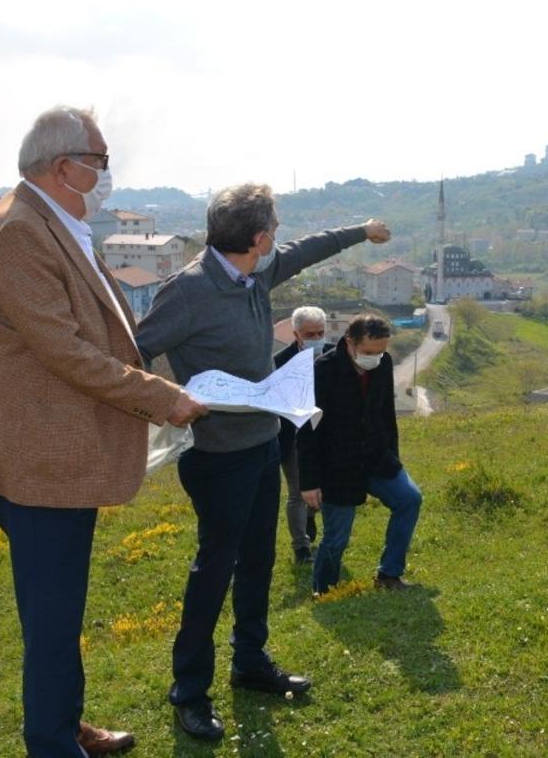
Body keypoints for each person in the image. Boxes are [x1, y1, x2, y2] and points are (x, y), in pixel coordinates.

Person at [0, 105, 206, 757]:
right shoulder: (20, 230)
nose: (106, 174)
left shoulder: (55, 222)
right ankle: (51, 743)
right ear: (62, 165)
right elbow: (65, 350)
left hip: (59, 462)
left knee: (60, 616)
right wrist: (160, 397)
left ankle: (64, 725)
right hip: (38, 466)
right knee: (50, 623)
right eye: (99, 161)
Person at [135, 183, 391, 742]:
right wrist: (168, 401)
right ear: (258, 237)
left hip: (261, 445)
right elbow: (134, 350)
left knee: (258, 562)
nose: (279, 240)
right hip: (215, 456)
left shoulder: (255, 275)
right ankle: (189, 691)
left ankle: (249, 662)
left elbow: (306, 251)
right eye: (274, 230)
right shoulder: (189, 291)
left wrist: (360, 232)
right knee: (215, 568)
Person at [297, 314, 422, 595]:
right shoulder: (323, 370)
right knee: (337, 537)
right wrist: (309, 481)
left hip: (377, 457)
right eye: (368, 353)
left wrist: (393, 456)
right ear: (350, 343)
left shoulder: (383, 363)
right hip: (337, 465)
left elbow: (386, 414)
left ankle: (389, 575)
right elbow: (307, 430)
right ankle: (326, 590)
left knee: (409, 499)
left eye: (381, 352)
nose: (375, 358)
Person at [274, 305, 331, 564]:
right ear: (296, 334)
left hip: (325, 437)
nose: (316, 339)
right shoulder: (279, 363)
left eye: (320, 333)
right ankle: (301, 548)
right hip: (293, 439)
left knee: (322, 489)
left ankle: (311, 516)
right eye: (310, 334)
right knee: (298, 493)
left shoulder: (333, 356)